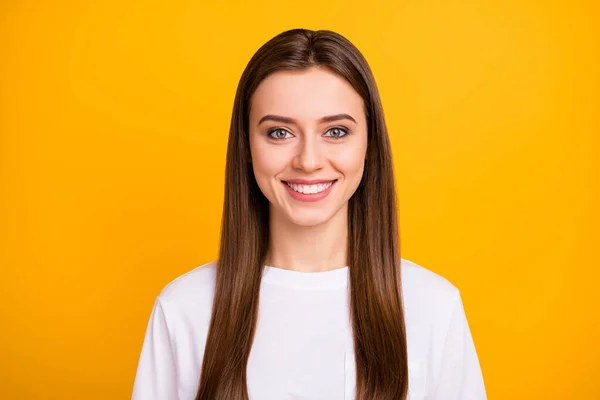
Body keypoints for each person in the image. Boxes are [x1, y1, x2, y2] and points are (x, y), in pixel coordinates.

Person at [131, 28, 487, 400]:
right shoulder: (184, 309)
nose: (309, 161)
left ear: (370, 144)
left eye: (335, 131)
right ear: (247, 146)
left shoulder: (433, 308)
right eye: (280, 133)